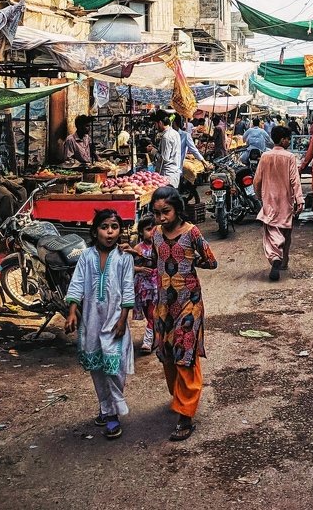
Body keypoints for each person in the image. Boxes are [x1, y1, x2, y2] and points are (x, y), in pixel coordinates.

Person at [150, 185, 217, 442]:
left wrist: (191, 262)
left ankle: (186, 415)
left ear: (177, 209)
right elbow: (154, 263)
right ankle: (180, 399)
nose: (161, 218)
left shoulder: (192, 233)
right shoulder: (155, 234)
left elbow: (211, 261)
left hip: (190, 303)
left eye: (165, 212)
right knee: (168, 354)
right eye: (157, 213)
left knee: (185, 355)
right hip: (164, 305)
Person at [64, 209, 135, 440]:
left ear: (120, 231)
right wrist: (72, 312)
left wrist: (123, 320)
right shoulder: (86, 256)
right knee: (97, 368)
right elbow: (77, 284)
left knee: (115, 368)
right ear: (95, 231)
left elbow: (127, 290)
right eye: (105, 227)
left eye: (114, 227)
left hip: (115, 321)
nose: (110, 232)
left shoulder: (125, 258)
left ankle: (113, 412)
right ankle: (106, 408)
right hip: (92, 321)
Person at [253, 125, 304, 281]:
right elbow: (295, 180)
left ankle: (275, 256)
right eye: (288, 139)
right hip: (285, 200)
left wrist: (259, 195)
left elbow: (257, 180)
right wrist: (299, 199)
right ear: (283, 139)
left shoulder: (265, 156)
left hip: (269, 199)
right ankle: (283, 261)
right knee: (286, 231)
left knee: (271, 231)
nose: (289, 141)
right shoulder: (290, 157)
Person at [131, 215, 158, 354]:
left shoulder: (159, 246)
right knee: (149, 314)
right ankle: (156, 337)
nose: (152, 232)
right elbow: (130, 266)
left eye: (154, 228)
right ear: (141, 232)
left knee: (153, 314)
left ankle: (147, 342)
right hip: (143, 287)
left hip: (156, 287)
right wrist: (140, 269)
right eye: (148, 229)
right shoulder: (138, 248)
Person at [148, 109, 182, 188]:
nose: (155, 127)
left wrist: (152, 150)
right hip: (174, 173)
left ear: (160, 123)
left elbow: (164, 158)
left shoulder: (166, 137)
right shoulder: (175, 133)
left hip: (167, 176)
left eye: (155, 124)